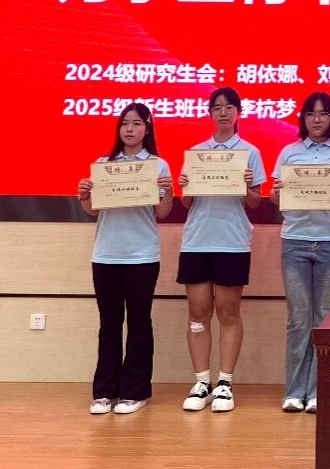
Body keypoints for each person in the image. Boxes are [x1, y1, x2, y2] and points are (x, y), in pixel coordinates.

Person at [76, 102, 173, 415]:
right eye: (125, 123)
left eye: (137, 123)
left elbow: (162, 212)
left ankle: (135, 391)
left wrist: (169, 192)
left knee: (139, 323)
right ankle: (105, 391)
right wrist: (85, 195)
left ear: (147, 128)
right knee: (109, 324)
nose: (129, 129)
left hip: (142, 255)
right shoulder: (104, 164)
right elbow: (92, 210)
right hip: (106, 254)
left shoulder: (157, 165)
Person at [270, 92, 330, 414]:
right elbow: (274, 197)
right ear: (304, 118)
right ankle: (294, 391)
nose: (317, 119)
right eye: (311, 113)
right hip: (295, 241)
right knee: (299, 318)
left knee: (324, 317)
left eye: (323, 113)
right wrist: (276, 191)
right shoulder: (289, 152)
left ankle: (317, 390)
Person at [175, 87, 265, 414]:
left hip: (232, 241)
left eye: (229, 107)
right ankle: (202, 382)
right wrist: (185, 184)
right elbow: (186, 202)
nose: (223, 112)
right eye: (217, 107)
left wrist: (245, 184)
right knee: (198, 313)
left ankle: (225, 382)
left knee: (228, 312)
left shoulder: (249, 152)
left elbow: (255, 202)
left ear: (238, 112)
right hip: (197, 241)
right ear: (210, 113)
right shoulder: (198, 153)